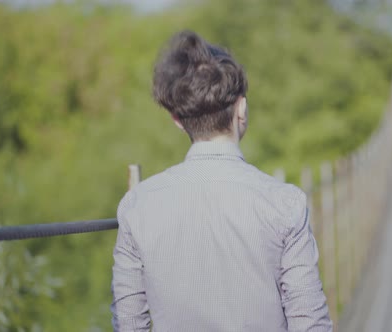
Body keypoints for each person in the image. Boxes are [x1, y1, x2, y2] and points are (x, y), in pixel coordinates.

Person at [111, 30, 333, 332]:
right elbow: (310, 324)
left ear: (177, 120)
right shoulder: (285, 203)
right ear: (240, 109)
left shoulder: (137, 206)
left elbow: (129, 324)